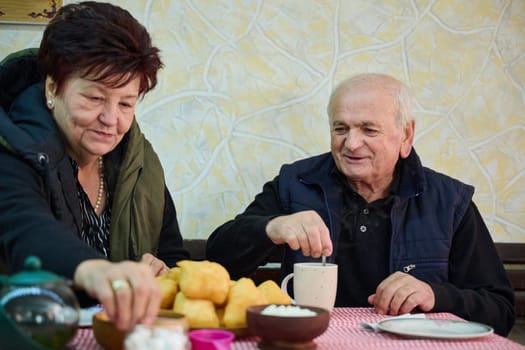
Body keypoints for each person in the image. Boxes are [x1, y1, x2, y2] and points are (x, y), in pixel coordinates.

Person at [206, 73, 516, 336]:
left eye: (368, 129)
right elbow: (218, 256)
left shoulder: (450, 201)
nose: (351, 144)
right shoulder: (295, 183)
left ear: (406, 135)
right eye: (341, 128)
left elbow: (500, 310)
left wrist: (436, 295)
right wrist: (269, 227)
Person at [0, 2, 189, 331]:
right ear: (52, 88)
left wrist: (165, 272)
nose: (110, 120)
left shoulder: (139, 166)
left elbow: (175, 256)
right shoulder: (12, 150)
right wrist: (96, 270)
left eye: (126, 103)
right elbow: (26, 228)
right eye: (94, 98)